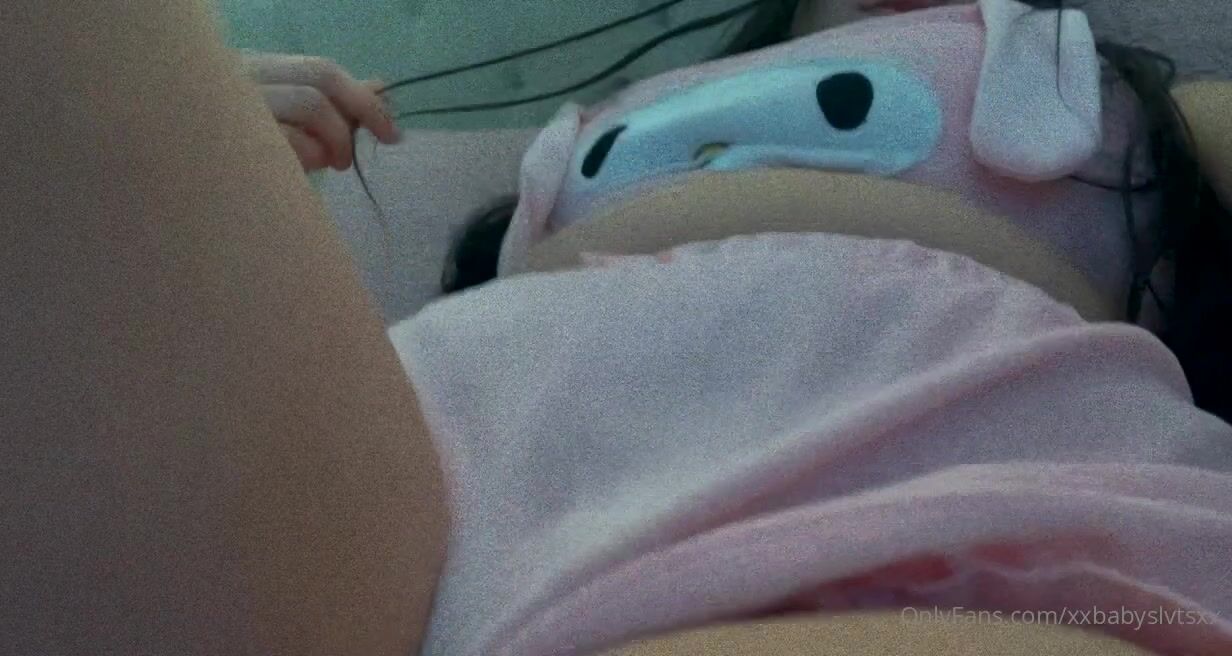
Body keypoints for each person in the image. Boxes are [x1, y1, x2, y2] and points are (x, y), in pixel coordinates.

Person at [1, 3, 1228, 656]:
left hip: (926, 462)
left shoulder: (1098, 85)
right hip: (438, 456)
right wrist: (203, 141)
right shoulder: (587, 122)